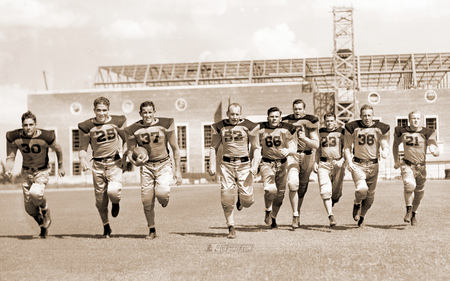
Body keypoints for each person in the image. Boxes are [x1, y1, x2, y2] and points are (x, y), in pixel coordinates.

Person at [124, 101, 182, 240]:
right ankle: (151, 229)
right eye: (145, 112)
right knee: (146, 200)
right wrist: (136, 162)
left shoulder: (165, 124)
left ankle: (164, 198)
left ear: (154, 112)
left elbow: (175, 148)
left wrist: (178, 170)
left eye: (150, 112)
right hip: (147, 166)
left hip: (163, 163)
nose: (147, 115)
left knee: (161, 194)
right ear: (140, 114)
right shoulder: (132, 129)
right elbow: (131, 153)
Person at [5, 111, 65, 238]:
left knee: (36, 193)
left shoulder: (46, 136)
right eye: (25, 125)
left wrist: (60, 166)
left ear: (36, 124)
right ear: (22, 125)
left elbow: (58, 149)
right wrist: (9, 169)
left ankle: (45, 209)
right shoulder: (13, 137)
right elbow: (10, 157)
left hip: (42, 170)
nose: (28, 128)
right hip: (26, 171)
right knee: (29, 209)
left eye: (31, 124)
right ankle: (43, 226)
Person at [208, 103, 261, 239]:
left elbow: (256, 147)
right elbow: (213, 147)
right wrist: (212, 164)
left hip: (244, 165)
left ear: (241, 114)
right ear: (227, 113)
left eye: (237, 114)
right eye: (232, 114)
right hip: (227, 164)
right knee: (226, 198)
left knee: (248, 201)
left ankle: (241, 197)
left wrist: (255, 165)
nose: (234, 117)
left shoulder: (249, 126)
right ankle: (230, 226)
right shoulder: (220, 126)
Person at [78, 97, 127, 238]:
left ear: (108, 110)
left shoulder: (117, 121)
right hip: (98, 165)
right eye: (98, 110)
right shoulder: (87, 126)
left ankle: (116, 202)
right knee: (100, 201)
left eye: (104, 110)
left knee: (113, 191)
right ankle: (106, 226)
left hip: (114, 163)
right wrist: (82, 159)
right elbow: (83, 147)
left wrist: (125, 156)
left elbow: (126, 139)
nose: (101, 113)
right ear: (94, 110)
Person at [343, 104, 390, 227]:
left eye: (369, 115)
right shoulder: (353, 127)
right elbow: (347, 147)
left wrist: (385, 151)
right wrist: (348, 161)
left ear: (373, 116)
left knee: (370, 197)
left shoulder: (379, 128)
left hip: (374, 165)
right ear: (360, 116)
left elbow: (384, 143)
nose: (367, 118)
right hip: (358, 164)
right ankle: (357, 203)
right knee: (361, 188)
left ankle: (362, 216)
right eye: (364, 115)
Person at [392, 111, 440, 226]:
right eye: (413, 118)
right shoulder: (402, 131)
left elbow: (435, 148)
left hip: (421, 167)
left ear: (421, 120)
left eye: (418, 118)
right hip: (407, 164)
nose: (415, 120)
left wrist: (435, 152)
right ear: (409, 119)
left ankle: (413, 214)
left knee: (419, 194)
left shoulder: (427, 132)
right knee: (409, 184)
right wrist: (396, 160)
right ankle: (408, 209)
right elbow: (395, 145)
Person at [282, 99, 319, 229]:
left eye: (299, 109)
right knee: (293, 183)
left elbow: (316, 144)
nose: (297, 111)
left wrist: (305, 138)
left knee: (302, 187)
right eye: (295, 109)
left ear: (304, 109)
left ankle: (298, 213)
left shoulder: (310, 121)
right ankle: (295, 214)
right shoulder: (285, 121)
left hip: (307, 155)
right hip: (293, 155)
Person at [259, 107, 297, 229]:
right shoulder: (261, 130)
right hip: (267, 162)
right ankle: (267, 210)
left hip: (282, 164)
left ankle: (273, 217)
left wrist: (289, 150)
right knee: (270, 189)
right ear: (267, 118)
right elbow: (253, 145)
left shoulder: (286, 130)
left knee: (280, 195)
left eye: (276, 116)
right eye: (271, 116)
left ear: (280, 118)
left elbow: (293, 147)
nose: (274, 119)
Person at [313, 112, 345, 227]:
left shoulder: (341, 132)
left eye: (331, 121)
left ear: (335, 121)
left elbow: (346, 148)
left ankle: (333, 200)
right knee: (325, 190)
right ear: (324, 121)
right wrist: (315, 162)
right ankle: (330, 216)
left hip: (337, 163)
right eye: (327, 121)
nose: (329, 123)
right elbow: (317, 149)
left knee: (336, 194)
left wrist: (342, 160)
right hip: (324, 163)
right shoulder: (320, 132)